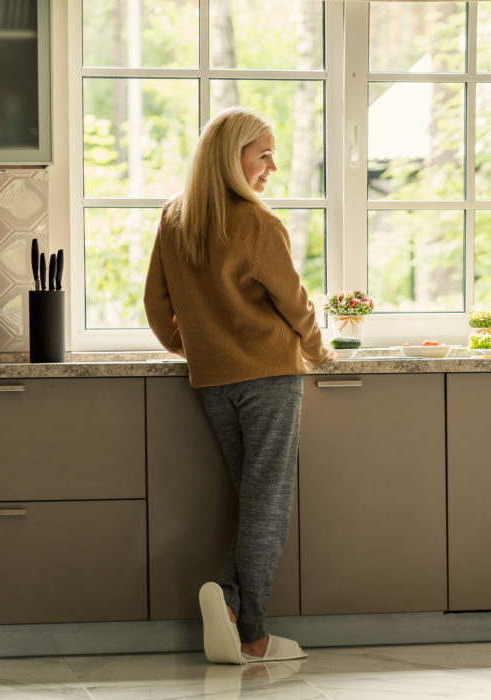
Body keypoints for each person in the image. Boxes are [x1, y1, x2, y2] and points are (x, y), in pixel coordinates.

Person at [144, 107, 334, 665]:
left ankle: (226, 599)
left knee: (254, 503)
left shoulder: (175, 218)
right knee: (268, 505)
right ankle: (251, 634)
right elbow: (294, 302)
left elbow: (157, 306)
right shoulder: (258, 223)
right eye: (264, 154)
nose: (272, 166)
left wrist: (195, 347)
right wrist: (318, 351)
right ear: (235, 158)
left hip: (213, 379)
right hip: (270, 376)